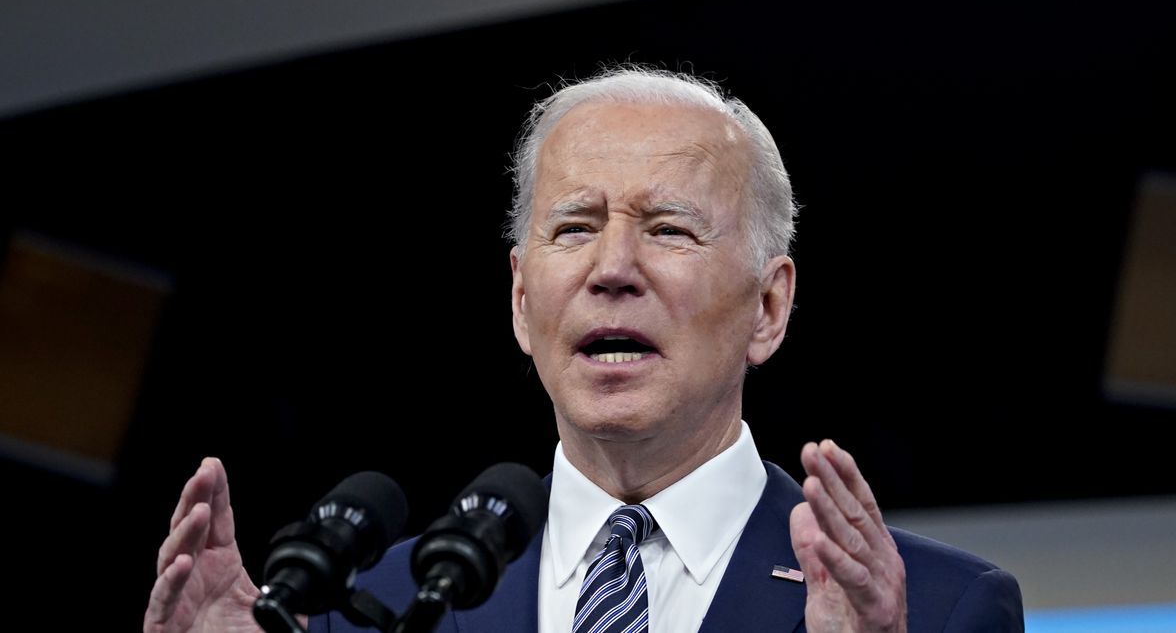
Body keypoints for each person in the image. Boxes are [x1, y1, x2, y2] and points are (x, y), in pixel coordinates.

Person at [144, 67, 1023, 633]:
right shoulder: (373, 606)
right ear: (522, 301)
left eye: (669, 228)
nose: (612, 269)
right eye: (574, 227)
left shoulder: (941, 608)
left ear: (768, 306)